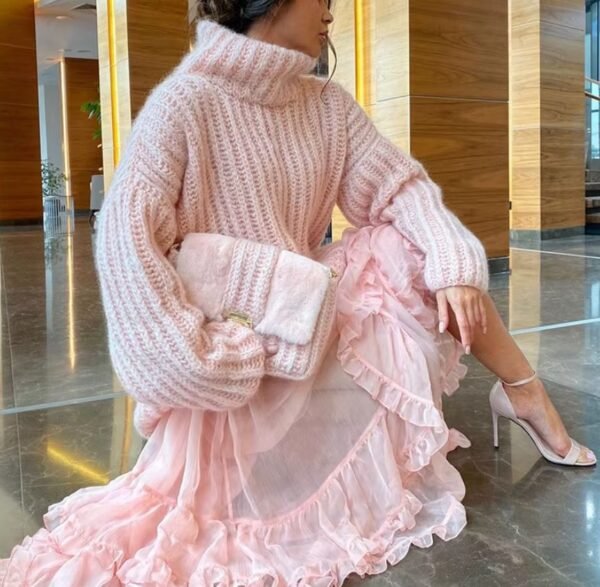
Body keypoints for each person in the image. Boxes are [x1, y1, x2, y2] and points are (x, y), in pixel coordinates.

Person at [1, 0, 595, 584]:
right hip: (234, 356)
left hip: (305, 319)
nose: (333, 8)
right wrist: (206, 359)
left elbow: (399, 187)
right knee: (194, 532)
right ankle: (505, 399)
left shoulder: (326, 106)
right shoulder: (184, 104)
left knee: (404, 245)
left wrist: (453, 264)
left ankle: (523, 390)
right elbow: (125, 243)